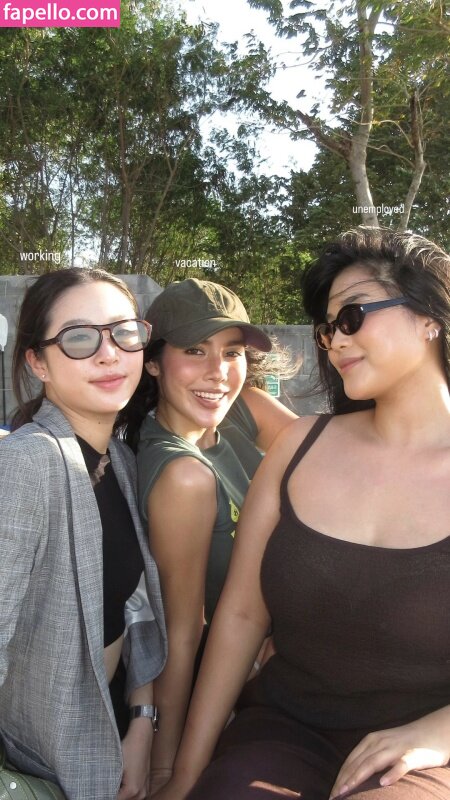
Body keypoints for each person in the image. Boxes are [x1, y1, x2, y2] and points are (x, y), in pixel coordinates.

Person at [153, 227, 450, 800]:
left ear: (429, 317)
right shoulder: (299, 447)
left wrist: (438, 732)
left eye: (352, 316)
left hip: (421, 756)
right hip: (284, 733)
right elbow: (241, 618)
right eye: (327, 327)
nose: (335, 342)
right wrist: (186, 775)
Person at [117, 278, 298, 793]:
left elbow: (331, 465)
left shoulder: (245, 409)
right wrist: (168, 770)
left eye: (232, 352)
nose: (218, 371)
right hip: (243, 680)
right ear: (154, 362)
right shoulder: (183, 477)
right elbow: (182, 633)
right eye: (195, 350)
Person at [0, 268, 167, 800]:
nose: (109, 354)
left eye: (124, 332)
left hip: (114, 723)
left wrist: (141, 721)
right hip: (47, 755)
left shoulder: (120, 459)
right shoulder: (26, 464)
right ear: (37, 362)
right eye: (78, 339)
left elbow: (134, 607)